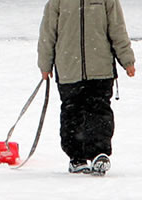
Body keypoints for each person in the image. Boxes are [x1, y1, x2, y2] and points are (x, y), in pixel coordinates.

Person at [37, 0, 136, 175]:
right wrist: (45, 64)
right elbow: (48, 32)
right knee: (71, 113)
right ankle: (77, 157)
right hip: (69, 69)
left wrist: (127, 60)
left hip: (101, 68)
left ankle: (99, 153)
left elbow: (117, 28)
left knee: (99, 111)